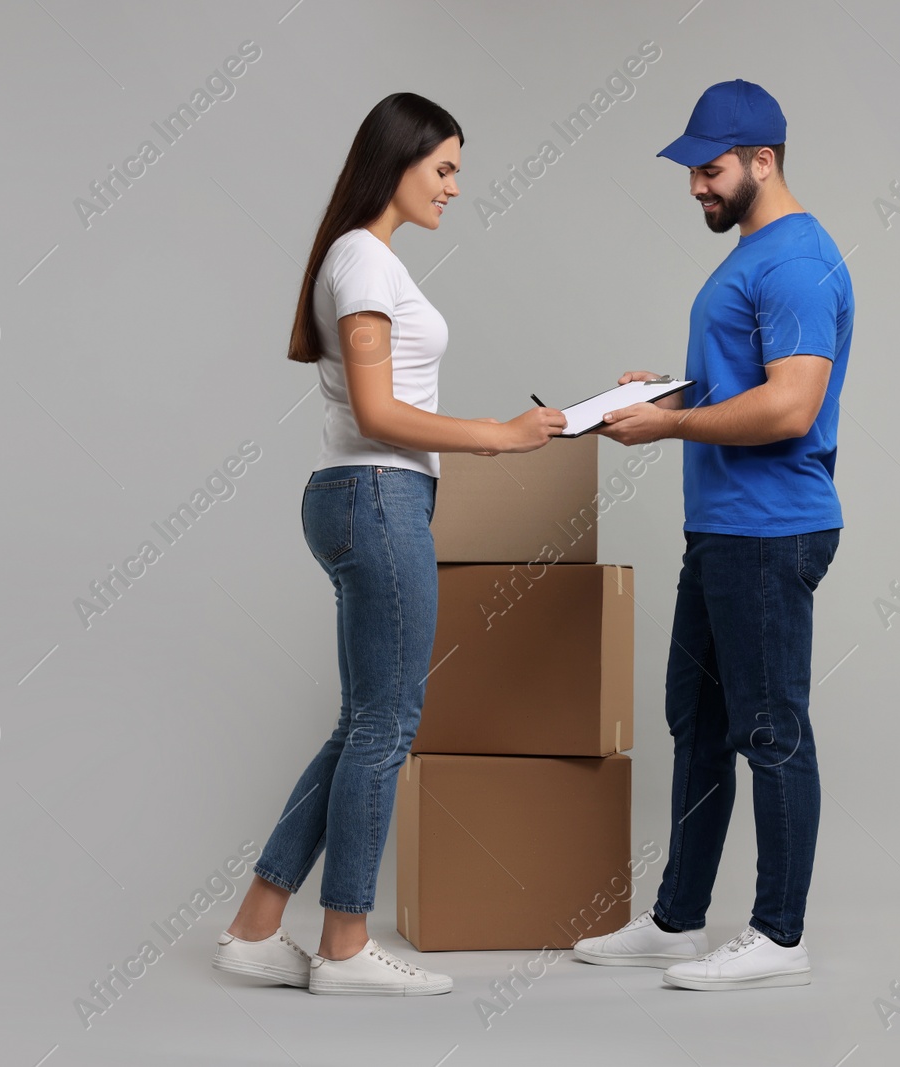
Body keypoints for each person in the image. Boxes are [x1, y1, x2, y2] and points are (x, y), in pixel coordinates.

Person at [211, 92, 566, 997]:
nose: (454, 186)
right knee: (388, 722)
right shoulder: (364, 261)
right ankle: (344, 944)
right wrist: (503, 434)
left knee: (362, 720)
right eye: (443, 167)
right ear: (396, 161)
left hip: (359, 494)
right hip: (378, 493)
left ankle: (256, 929)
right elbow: (377, 412)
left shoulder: (364, 258)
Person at [576, 79, 854, 991]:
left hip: (770, 532)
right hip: (724, 530)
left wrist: (671, 428)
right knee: (695, 726)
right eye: (694, 171)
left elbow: (791, 403)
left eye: (711, 168)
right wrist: (673, 391)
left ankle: (779, 936)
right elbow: (748, 378)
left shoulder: (798, 260)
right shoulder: (752, 255)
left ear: (762, 161)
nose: (697, 185)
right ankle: (677, 921)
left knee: (771, 730)